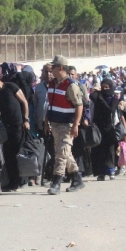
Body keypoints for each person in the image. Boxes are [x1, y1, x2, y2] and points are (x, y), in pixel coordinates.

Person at [0, 63, 31, 192]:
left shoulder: (10, 86)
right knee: (8, 155)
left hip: (18, 125)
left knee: (18, 153)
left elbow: (24, 102)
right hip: (5, 127)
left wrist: (26, 119)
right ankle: (12, 182)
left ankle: (22, 181)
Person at [43, 55, 84, 195]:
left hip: (67, 125)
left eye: (53, 68)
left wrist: (76, 125)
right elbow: (50, 105)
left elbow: (79, 105)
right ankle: (77, 179)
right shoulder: (52, 84)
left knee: (60, 155)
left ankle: (56, 183)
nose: (51, 71)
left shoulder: (71, 85)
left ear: (60, 68)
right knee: (65, 153)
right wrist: (47, 122)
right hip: (55, 124)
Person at [90, 79, 124, 181]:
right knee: (99, 150)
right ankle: (101, 173)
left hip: (110, 128)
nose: (105, 89)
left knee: (110, 150)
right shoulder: (95, 97)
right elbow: (91, 108)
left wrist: (101, 99)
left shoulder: (114, 99)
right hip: (98, 128)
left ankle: (110, 170)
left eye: (107, 87)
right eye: (103, 87)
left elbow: (112, 111)